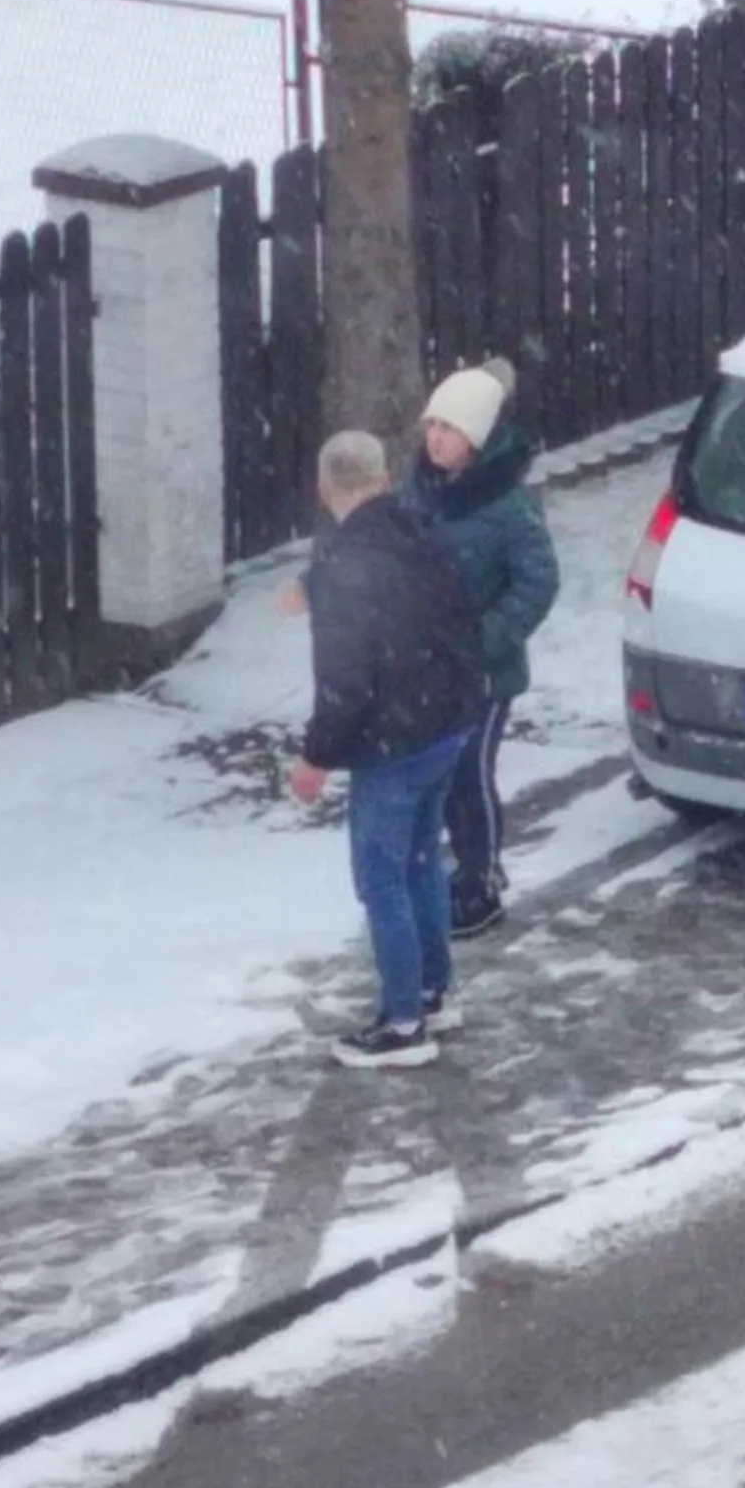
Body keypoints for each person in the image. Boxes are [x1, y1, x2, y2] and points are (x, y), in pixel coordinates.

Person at [287, 431, 486, 1071]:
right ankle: (432, 990)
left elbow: (345, 680)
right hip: (446, 727)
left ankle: (403, 1023)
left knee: (382, 879)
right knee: (422, 861)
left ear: (324, 489)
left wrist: (316, 755)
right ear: (379, 478)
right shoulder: (423, 532)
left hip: (392, 744)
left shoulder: (349, 564)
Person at [404, 359, 561, 938]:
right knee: (440, 775)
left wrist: (483, 640)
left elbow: (538, 583)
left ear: (474, 436)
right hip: (428, 664)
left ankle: (482, 880)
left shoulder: (508, 508)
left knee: (471, 774)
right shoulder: (420, 492)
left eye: (447, 428)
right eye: (430, 427)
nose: (433, 439)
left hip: (484, 675)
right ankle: (455, 871)